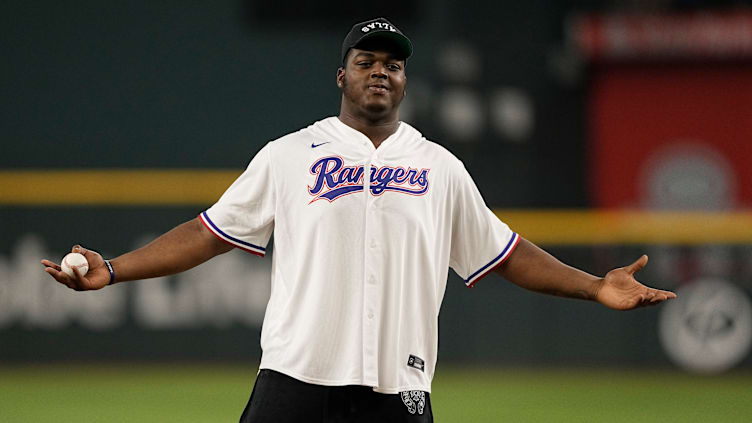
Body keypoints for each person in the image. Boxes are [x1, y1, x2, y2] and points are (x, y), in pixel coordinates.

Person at [42, 17, 676, 423]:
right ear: (340, 74)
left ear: (404, 82)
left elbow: (505, 253)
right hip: (295, 378)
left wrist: (594, 286)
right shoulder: (290, 154)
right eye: (367, 60)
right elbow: (208, 233)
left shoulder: (439, 166)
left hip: (397, 388)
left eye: (393, 64)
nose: (381, 70)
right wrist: (115, 271)